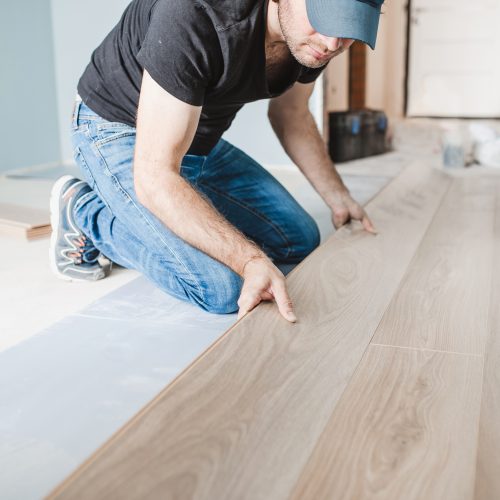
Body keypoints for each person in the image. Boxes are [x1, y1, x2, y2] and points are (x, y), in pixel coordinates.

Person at [49, 0, 383, 322]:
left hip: (193, 139)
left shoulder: (315, 41)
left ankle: (134, 207)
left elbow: (292, 114)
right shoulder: (193, 11)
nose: (332, 43)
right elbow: (155, 176)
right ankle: (83, 210)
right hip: (118, 128)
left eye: (347, 27)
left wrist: (338, 196)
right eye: (325, 19)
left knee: (299, 239)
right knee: (221, 287)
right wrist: (248, 259)